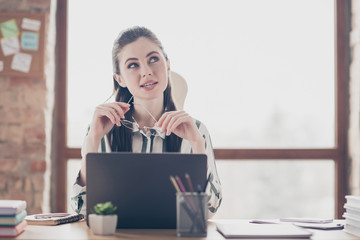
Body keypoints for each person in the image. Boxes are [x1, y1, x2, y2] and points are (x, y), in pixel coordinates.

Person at [72, 26, 222, 218]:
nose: (146, 72)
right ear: (120, 79)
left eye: (153, 59)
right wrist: (93, 140)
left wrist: (197, 146)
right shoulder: (101, 129)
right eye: (133, 65)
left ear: (167, 66)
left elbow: (208, 211)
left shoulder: (196, 130)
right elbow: (83, 209)